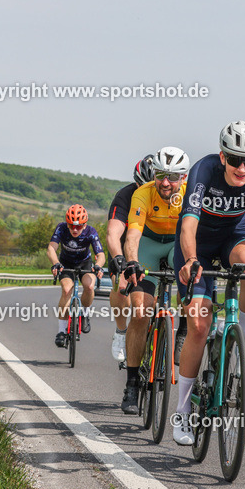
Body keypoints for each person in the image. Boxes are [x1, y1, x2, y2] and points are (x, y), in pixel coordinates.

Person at [170, 121, 245, 446]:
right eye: (234, 160)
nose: (242, 168)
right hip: (197, 244)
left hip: (233, 236)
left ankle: (243, 342)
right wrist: (190, 260)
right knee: (199, 327)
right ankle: (183, 409)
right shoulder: (204, 171)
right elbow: (188, 224)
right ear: (222, 156)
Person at [119, 146, 190, 414]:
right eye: (160, 174)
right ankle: (132, 383)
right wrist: (133, 262)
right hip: (148, 244)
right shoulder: (143, 193)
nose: (165, 182)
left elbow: (196, 233)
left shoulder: (190, 193)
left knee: (190, 282)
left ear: (183, 177)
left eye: (172, 177)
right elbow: (133, 236)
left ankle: (182, 330)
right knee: (140, 311)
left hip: (176, 243)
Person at [105, 153, 157, 363]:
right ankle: (120, 331)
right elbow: (113, 233)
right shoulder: (125, 196)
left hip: (156, 246)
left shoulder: (172, 194)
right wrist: (118, 256)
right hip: (128, 247)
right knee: (121, 284)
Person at [47, 204, 106, 348]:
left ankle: (85, 314)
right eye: (71, 226)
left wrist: (98, 265)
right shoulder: (61, 228)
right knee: (67, 290)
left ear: (84, 225)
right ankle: (61, 331)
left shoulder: (91, 232)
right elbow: (51, 248)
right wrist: (55, 263)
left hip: (84, 263)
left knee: (89, 286)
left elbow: (101, 255)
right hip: (66, 263)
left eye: (79, 227)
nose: (74, 229)